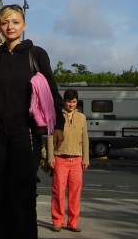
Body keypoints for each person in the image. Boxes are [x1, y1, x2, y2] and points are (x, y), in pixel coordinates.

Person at [0, 4, 64, 239]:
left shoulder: (36, 54)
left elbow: (51, 90)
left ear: (24, 25)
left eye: (15, 22)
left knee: (24, 194)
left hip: (26, 134)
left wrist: (58, 125)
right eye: (5, 22)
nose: (10, 26)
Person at [47, 89, 89, 232]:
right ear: (64, 102)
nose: (71, 104)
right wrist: (51, 156)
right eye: (69, 101)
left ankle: (73, 223)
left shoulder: (82, 117)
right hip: (60, 158)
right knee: (58, 191)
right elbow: (50, 136)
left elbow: (85, 138)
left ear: (77, 102)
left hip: (77, 160)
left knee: (75, 193)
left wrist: (85, 158)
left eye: (74, 102)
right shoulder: (57, 116)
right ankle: (57, 221)